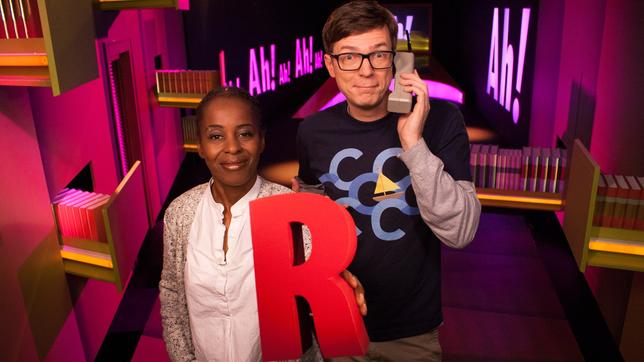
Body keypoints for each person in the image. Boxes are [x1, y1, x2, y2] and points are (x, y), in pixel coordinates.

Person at [295, 1, 481, 360]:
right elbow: (313, 226)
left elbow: (460, 232)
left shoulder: (441, 120)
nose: (366, 71)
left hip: (412, 332)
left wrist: (413, 142)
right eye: (349, 57)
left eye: (378, 55)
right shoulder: (312, 131)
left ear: (396, 60)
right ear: (330, 64)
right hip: (337, 319)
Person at [159, 87, 366, 361]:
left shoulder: (292, 211)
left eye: (245, 133)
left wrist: (340, 291)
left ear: (262, 140)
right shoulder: (180, 212)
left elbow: (314, 293)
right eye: (216, 136)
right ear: (200, 145)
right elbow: (172, 293)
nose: (232, 147)